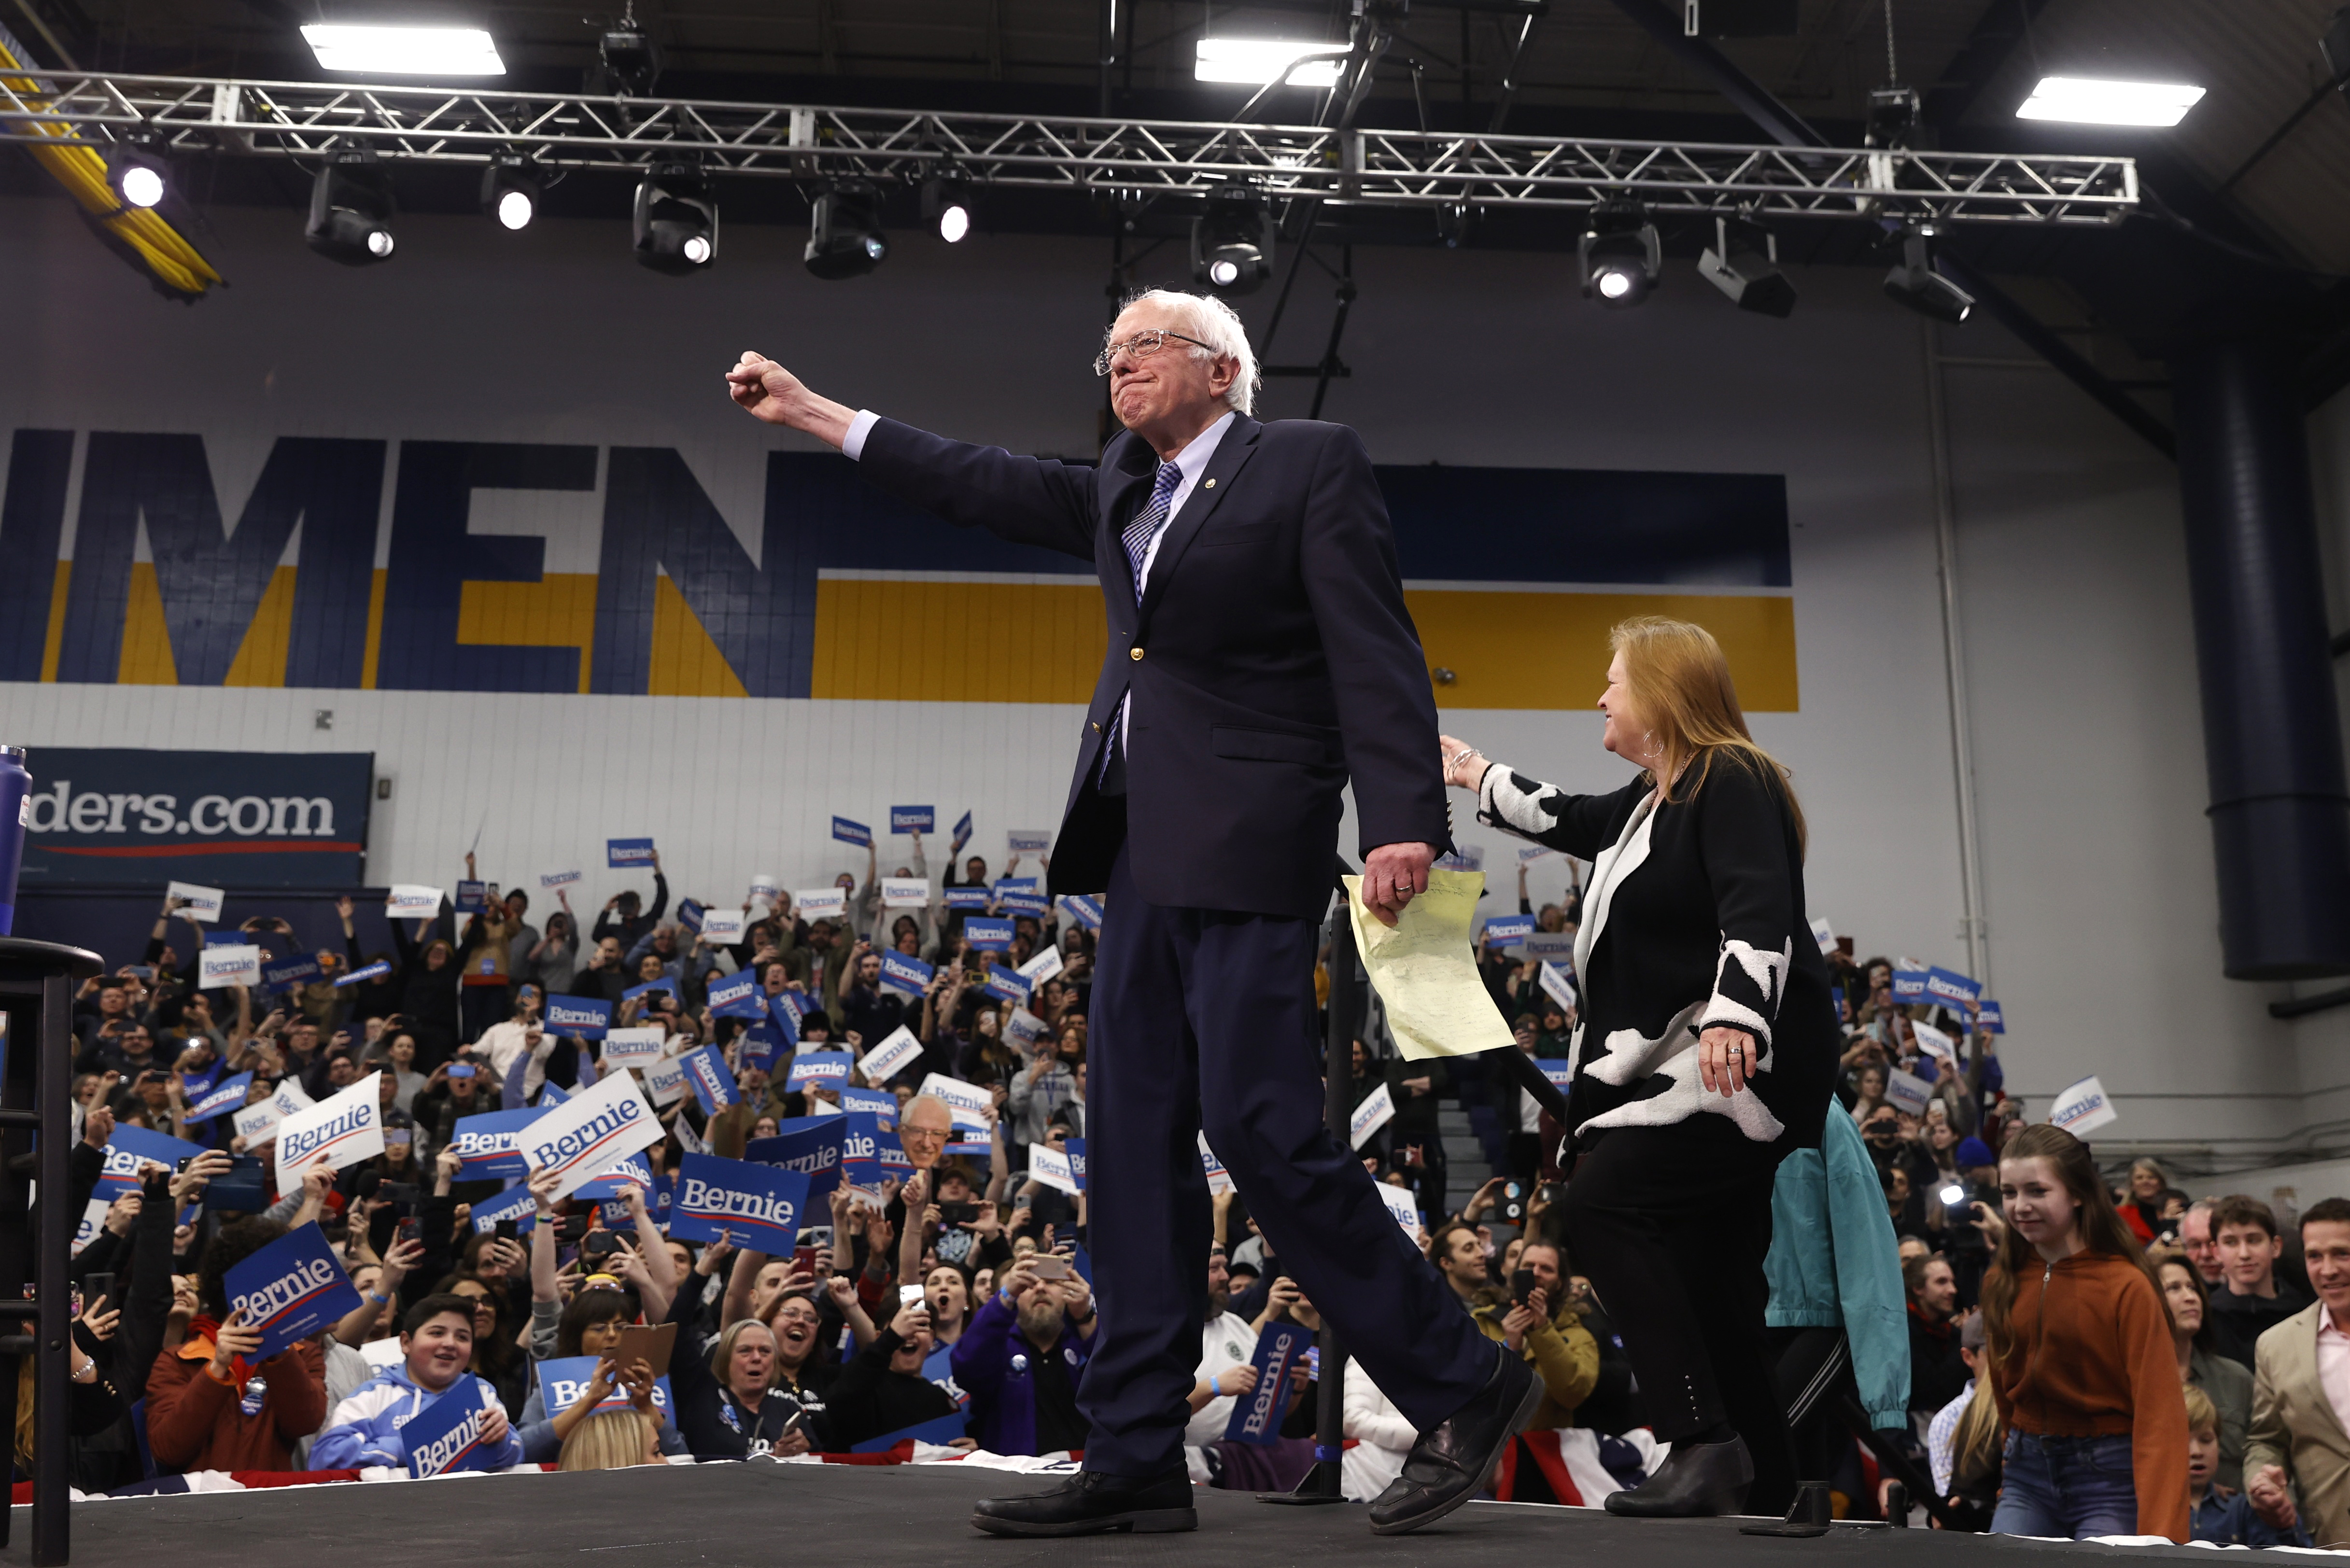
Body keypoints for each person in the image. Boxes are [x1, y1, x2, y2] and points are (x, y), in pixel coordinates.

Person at [727, 288, 1526, 1540]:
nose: (1116, 369)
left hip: (1254, 839)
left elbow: (1373, 640)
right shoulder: (1120, 487)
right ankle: (1139, 1456)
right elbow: (977, 480)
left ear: (1219, 368)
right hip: (1141, 850)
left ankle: (1463, 1378)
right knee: (1132, 1149)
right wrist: (816, 412)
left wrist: (1400, 819)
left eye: (1141, 349)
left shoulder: (1305, 463)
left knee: (1259, 1128)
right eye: (1107, 356)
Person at [1438, 615, 1838, 1518]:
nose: (1599, 695)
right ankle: (1767, 1486)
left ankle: (1697, 1439)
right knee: (1712, 1272)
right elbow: (1569, 816)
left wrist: (1737, 1013)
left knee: (1607, 1199)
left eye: (1612, 681)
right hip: (1692, 1067)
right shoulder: (1650, 799)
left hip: (1733, 1063)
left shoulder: (1731, 776)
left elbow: (1757, 899)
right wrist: (1471, 769)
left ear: (1659, 694)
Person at [1980, 1124, 2185, 1542]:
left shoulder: (2126, 1287)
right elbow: (2004, 1393)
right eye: (2008, 1192)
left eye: (2037, 1191)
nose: (2020, 1206)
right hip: (2026, 1476)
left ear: (2077, 1194)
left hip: (2109, 1481)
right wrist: (2011, 1467)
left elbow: (2160, 1416)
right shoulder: (2000, 1281)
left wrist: (2162, 1536)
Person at [144, 1217, 329, 1473]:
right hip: (199, 1508)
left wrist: (278, 1350)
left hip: (277, 1505)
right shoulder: (176, 1360)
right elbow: (168, 1449)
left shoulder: (303, 1354)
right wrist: (217, 1368)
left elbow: (305, 1423)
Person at [309, 1293, 524, 1470]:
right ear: (406, 1343)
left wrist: (501, 1439)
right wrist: (410, 1448)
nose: (450, 1343)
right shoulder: (374, 1394)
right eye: (437, 1333)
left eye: (462, 1337)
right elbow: (326, 1456)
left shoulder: (480, 1393)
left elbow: (516, 1452)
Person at [2243, 1196, 2350, 1551]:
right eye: (2314, 1256)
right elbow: (2266, 1440)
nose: (2328, 1270)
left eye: (2342, 1253)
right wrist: (2262, 1480)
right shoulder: (2276, 1346)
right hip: (2330, 1541)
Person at [953, 1253, 1098, 1456]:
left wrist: (1085, 1317)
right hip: (1019, 1482)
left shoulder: (1082, 1340)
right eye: (1027, 1284)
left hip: (1087, 1475)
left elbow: (1120, 1382)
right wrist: (1005, 1297)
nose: (1040, 1288)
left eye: (1050, 1282)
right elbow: (966, 1369)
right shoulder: (997, 1348)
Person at [1472, 1240, 1598, 1430]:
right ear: (1515, 1274)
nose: (1536, 1273)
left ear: (1560, 1283)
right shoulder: (1483, 1321)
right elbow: (1471, 1386)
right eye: (1529, 1266)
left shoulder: (1579, 1335)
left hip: (1545, 1449)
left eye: (1547, 1269)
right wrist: (1510, 1348)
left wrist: (1543, 1331)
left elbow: (1573, 1394)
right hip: (1489, 1445)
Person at [2155, 1252, 2253, 1489]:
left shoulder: (2236, 1378)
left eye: (2192, 1287)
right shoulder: (2128, 1383)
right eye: (2174, 1288)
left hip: (2235, 1519)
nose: (2190, 1297)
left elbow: (2265, 1450)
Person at [2186, 1384, 2309, 1546]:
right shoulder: (2143, 1508)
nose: (2196, 1452)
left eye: (2206, 1440)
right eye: (2183, 1441)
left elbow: (2285, 1558)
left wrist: (2283, 1521)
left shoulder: (2243, 1511)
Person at [2206, 1195, 2315, 1371]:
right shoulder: (2208, 1322)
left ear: (2276, 1247)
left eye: (2254, 1240)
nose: (2244, 1254)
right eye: (2231, 1242)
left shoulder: (2307, 1313)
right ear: (2216, 1252)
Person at [1905, 1254, 1970, 1416]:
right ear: (1918, 1288)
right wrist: (1966, 1338)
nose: (1952, 1290)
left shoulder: (1950, 1329)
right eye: (1941, 1282)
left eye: (1952, 1282)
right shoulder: (1904, 1332)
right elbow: (1934, 1390)